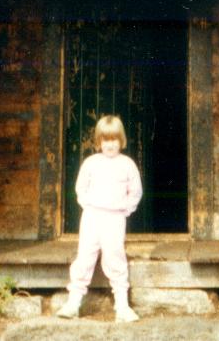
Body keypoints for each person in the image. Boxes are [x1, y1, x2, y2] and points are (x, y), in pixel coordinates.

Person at [56, 114, 143, 322]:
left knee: (115, 256)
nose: (110, 144)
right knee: (85, 255)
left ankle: (122, 306)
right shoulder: (91, 163)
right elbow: (81, 188)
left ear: (121, 140)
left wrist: (125, 210)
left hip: (115, 219)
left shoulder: (127, 164)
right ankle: (73, 302)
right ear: (98, 141)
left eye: (114, 139)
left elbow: (136, 192)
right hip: (92, 217)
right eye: (105, 140)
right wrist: (90, 205)